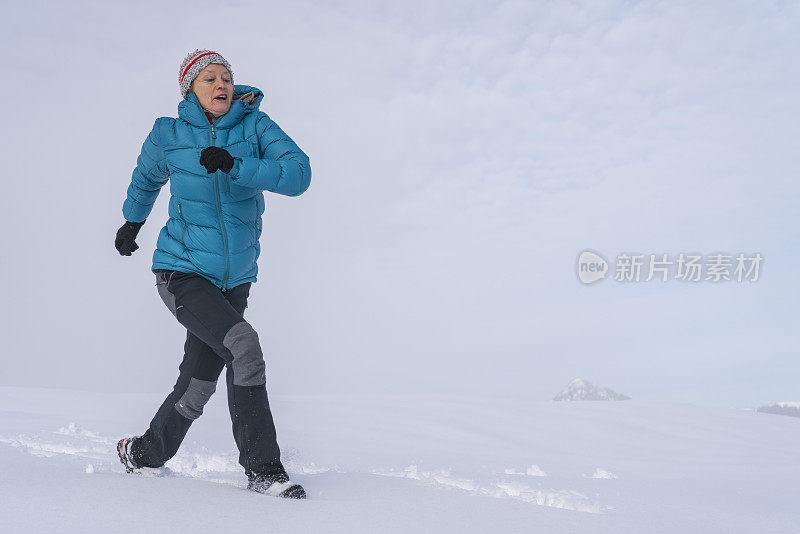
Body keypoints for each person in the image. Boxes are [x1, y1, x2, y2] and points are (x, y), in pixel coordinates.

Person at [114, 49, 311, 499]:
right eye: (209, 78)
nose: (221, 84)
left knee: (199, 382)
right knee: (244, 346)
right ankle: (264, 470)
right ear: (190, 89)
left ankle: (143, 453)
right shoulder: (169, 133)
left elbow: (299, 174)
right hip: (181, 270)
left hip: (234, 278)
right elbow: (147, 178)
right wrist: (133, 221)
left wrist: (237, 165)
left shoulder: (256, 126)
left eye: (226, 76)